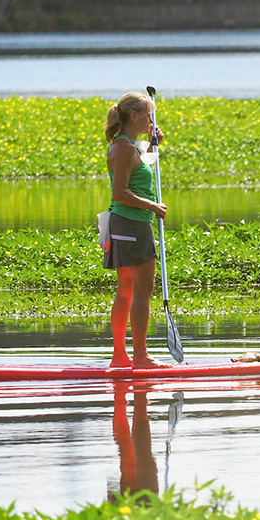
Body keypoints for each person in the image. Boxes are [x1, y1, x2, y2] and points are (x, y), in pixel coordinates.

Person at [103, 92, 170, 368]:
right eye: (147, 116)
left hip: (125, 224)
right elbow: (120, 192)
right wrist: (153, 206)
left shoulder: (128, 146)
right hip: (131, 223)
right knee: (143, 290)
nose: (151, 121)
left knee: (127, 290)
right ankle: (140, 357)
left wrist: (154, 145)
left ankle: (120, 356)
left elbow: (141, 168)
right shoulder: (123, 148)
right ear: (134, 116)